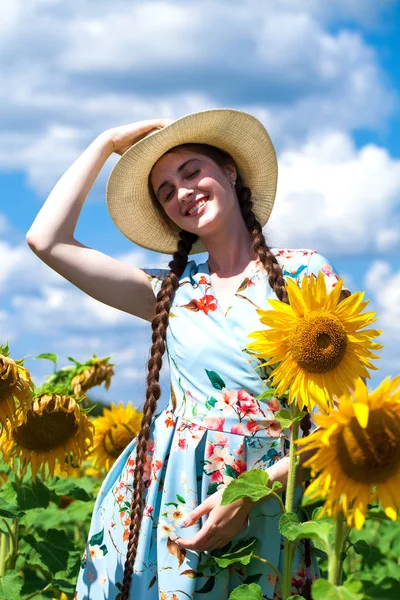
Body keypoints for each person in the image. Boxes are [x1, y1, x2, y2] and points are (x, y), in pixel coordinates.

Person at [26, 109, 349, 600]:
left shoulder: (306, 273)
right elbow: (46, 241)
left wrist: (250, 492)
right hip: (165, 497)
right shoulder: (170, 290)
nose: (182, 192)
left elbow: (336, 425)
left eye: (192, 171)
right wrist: (106, 141)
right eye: (165, 191)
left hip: (265, 499)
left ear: (230, 171)